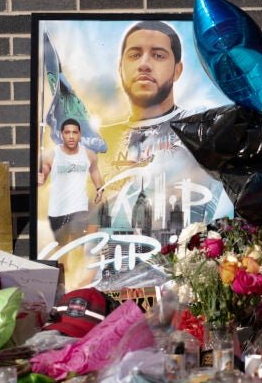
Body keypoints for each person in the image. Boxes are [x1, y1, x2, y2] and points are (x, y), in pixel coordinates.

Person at [99, 21, 232, 233]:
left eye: (158, 55)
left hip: (187, 264)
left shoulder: (203, 129)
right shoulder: (98, 140)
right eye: (134, 55)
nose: (144, 64)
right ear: (120, 68)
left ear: (177, 70)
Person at [38, 117, 104, 245]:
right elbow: (42, 176)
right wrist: (39, 180)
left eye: (74, 132)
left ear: (79, 134)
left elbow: (94, 170)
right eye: (67, 132)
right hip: (57, 211)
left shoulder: (89, 154)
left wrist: (99, 188)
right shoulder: (51, 156)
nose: (71, 136)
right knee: (60, 246)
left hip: (79, 210)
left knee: (77, 246)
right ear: (62, 134)